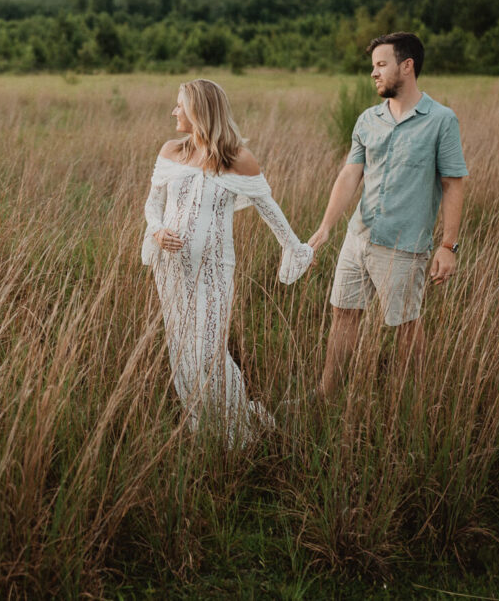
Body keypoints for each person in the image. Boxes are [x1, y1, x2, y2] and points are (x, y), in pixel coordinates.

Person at [142, 79, 313, 444]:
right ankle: (204, 430)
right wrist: (156, 231)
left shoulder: (237, 159)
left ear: (199, 111)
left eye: (179, 106)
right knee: (182, 351)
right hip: (171, 270)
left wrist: (295, 248)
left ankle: (237, 433)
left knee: (208, 352)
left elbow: (271, 211)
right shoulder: (171, 151)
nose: (174, 112)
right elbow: (152, 205)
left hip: (215, 273)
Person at [307, 32, 468, 397]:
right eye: (373, 66)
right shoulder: (368, 119)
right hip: (358, 237)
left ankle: (413, 405)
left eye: (381, 65)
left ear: (407, 66)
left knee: (405, 327)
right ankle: (327, 393)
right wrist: (326, 228)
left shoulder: (441, 120)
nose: (373, 73)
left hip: (403, 246)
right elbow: (350, 174)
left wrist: (448, 246)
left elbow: (453, 185)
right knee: (343, 314)